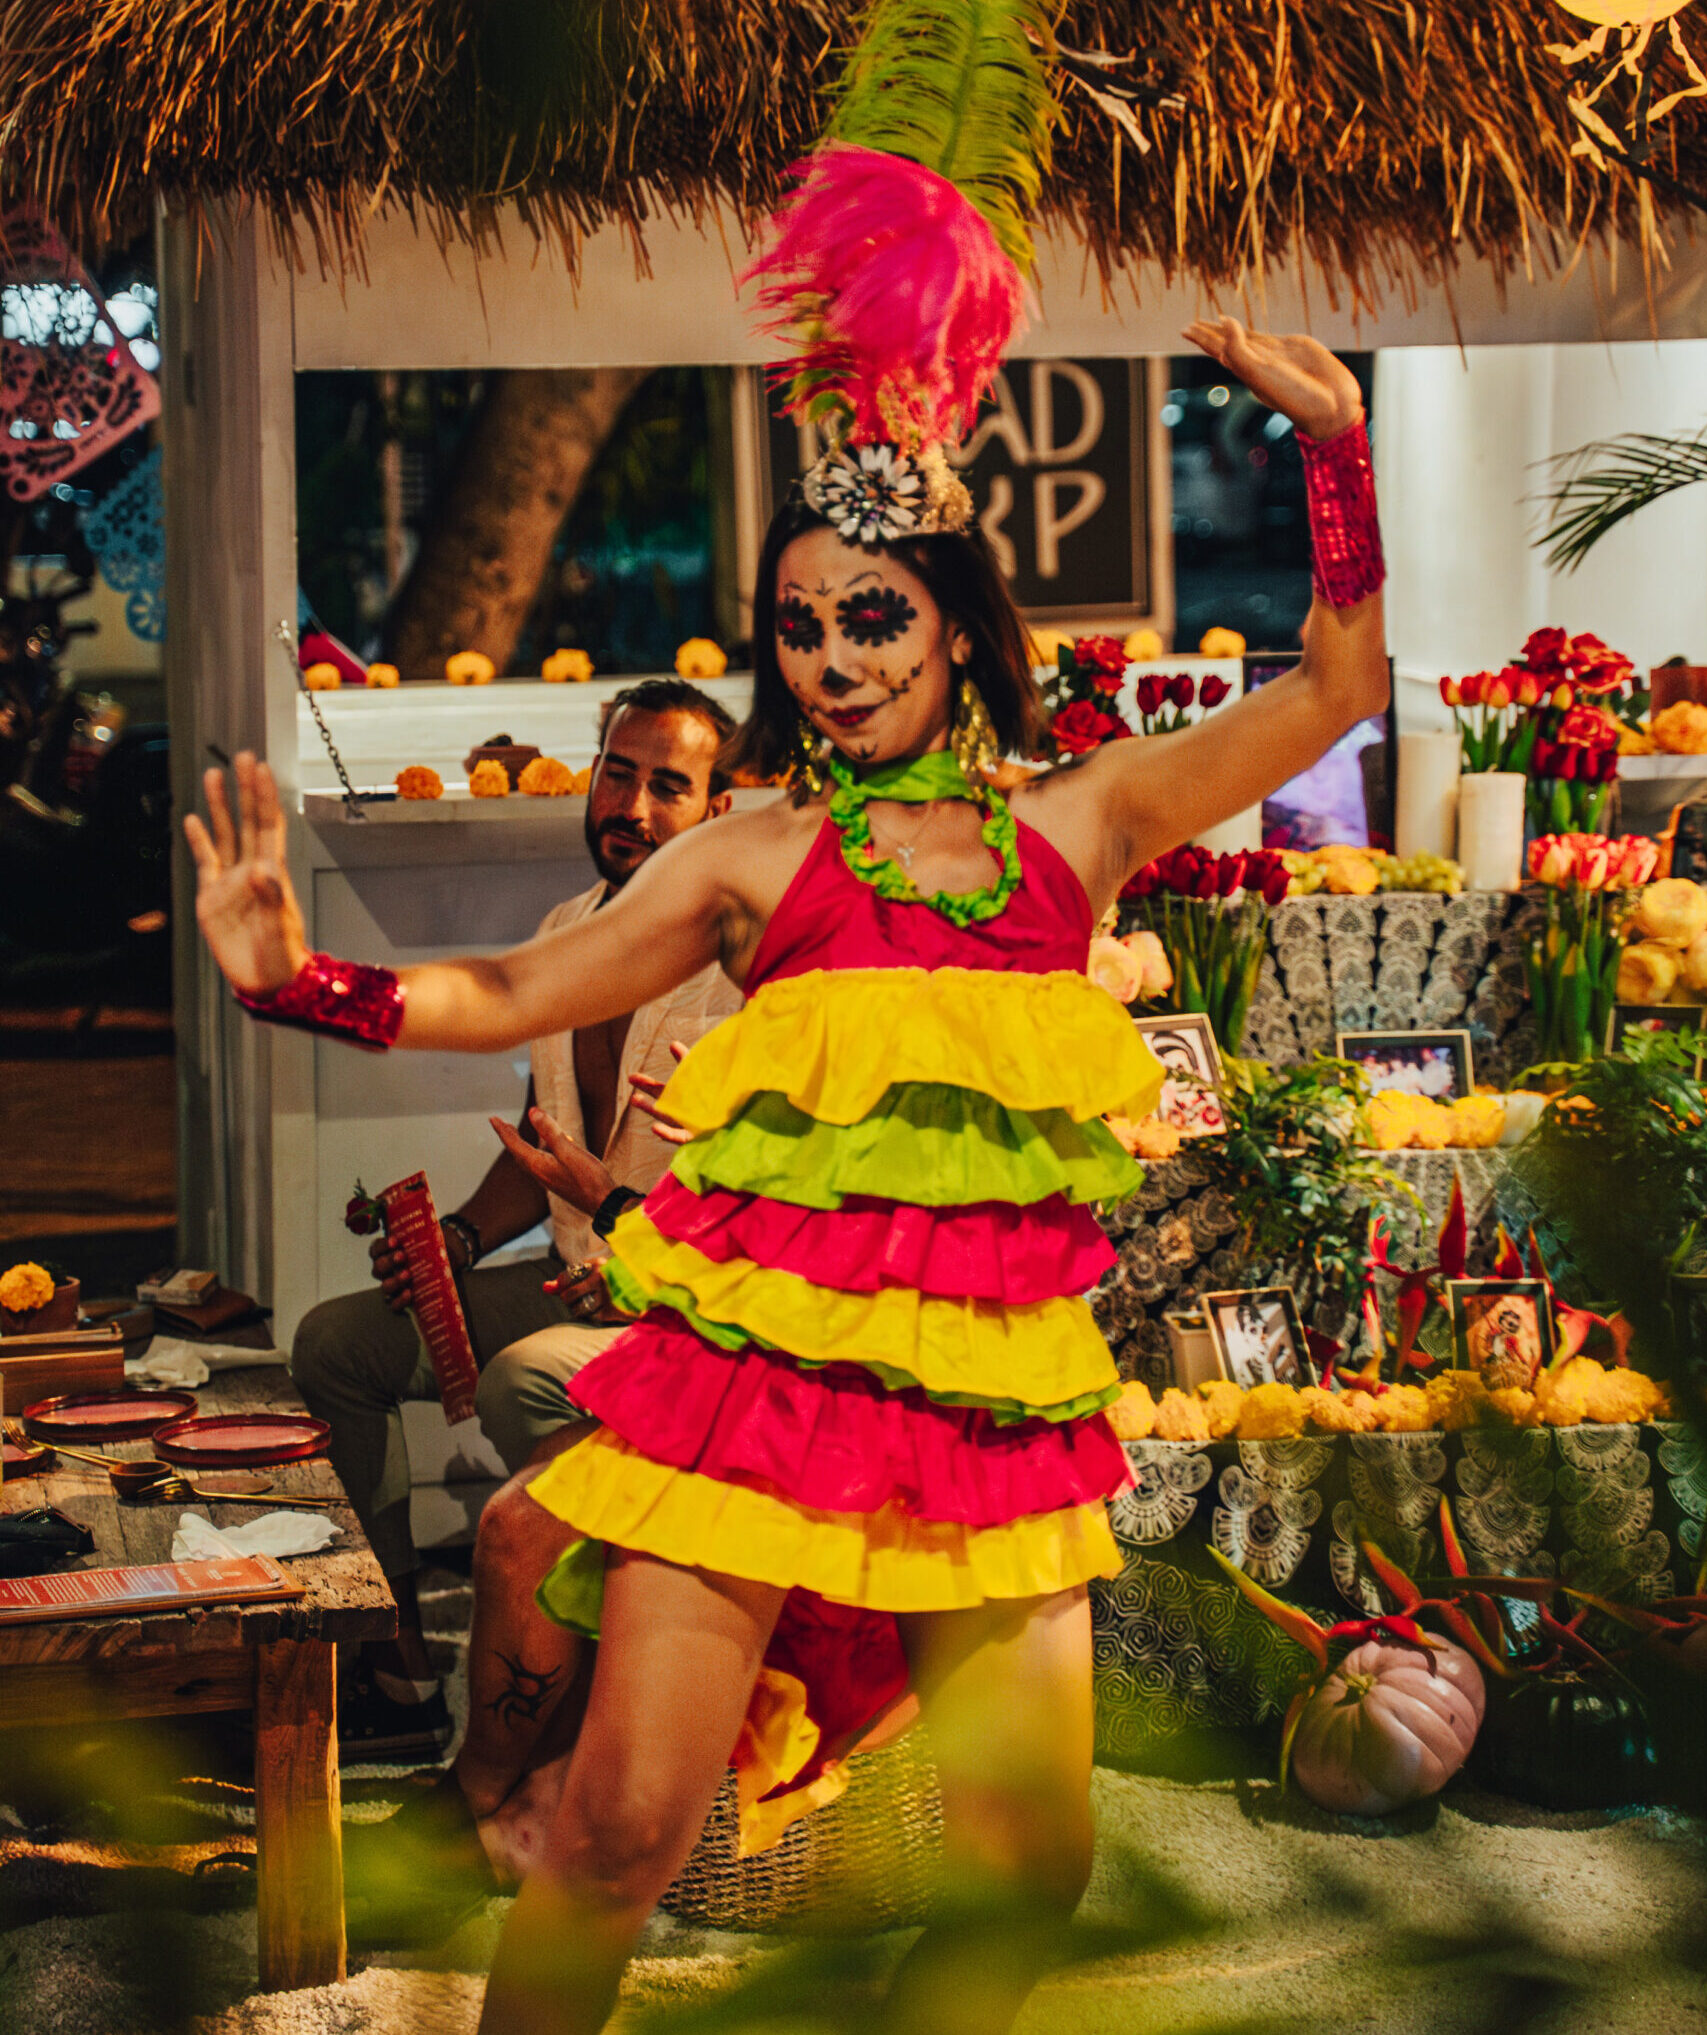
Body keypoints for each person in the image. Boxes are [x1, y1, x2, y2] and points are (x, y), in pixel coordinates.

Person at [186, 301, 1387, 2030]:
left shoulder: (1083, 818)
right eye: (800, 625)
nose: (831, 656)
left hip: (990, 1415)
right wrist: (304, 982)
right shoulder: (751, 854)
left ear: (962, 631)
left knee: (1032, 1870)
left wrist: (1334, 454)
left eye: (873, 614)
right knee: (610, 1840)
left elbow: (1340, 684)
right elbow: (521, 988)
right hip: (756, 1406)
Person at [289, 678, 740, 1757]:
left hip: (682, 1308)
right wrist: (458, 1239)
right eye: (616, 774)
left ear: (720, 812)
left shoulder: (747, 974)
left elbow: (759, 1204)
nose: (630, 806)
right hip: (568, 1270)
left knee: (517, 1372)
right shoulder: (566, 931)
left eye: (667, 785)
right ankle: (394, 1660)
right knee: (335, 1342)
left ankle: (579, 1680)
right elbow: (546, 1132)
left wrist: (625, 1235)